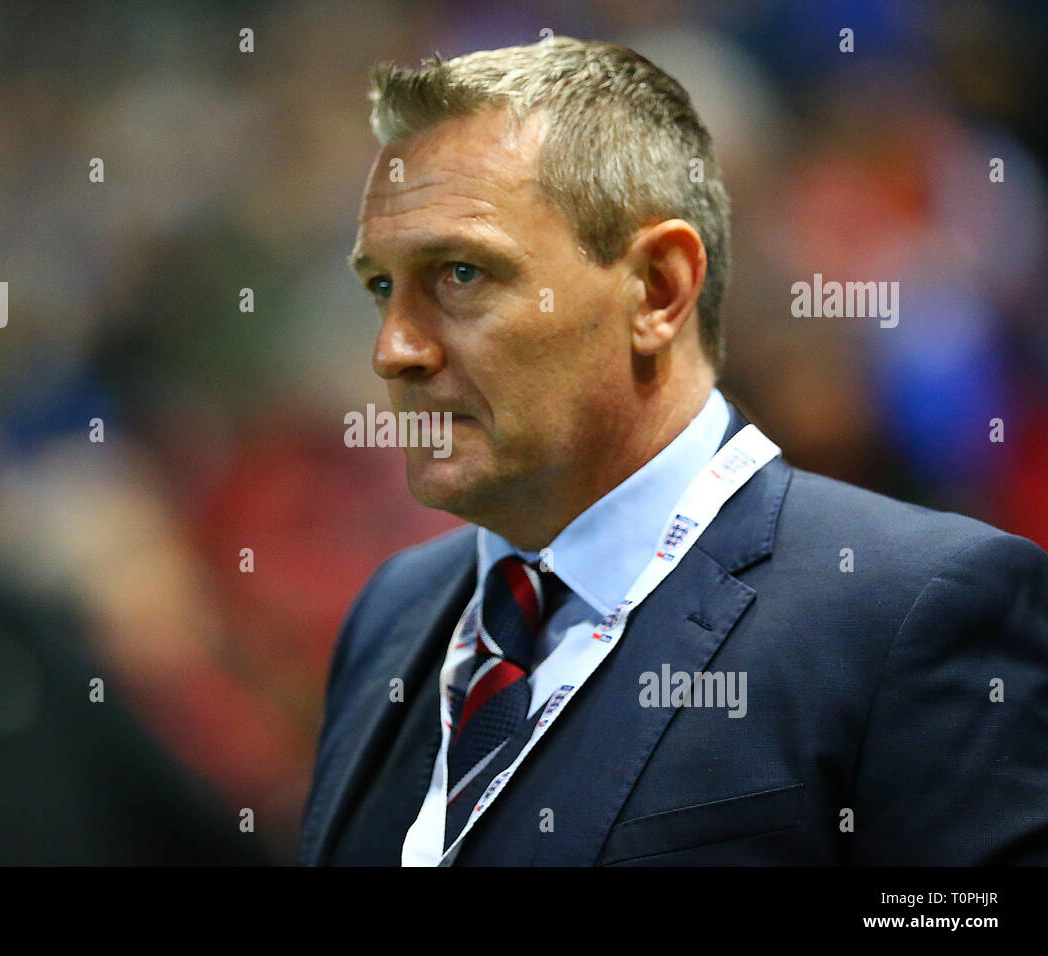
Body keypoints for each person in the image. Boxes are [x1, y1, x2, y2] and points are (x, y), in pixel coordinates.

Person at [298, 37, 1048, 866]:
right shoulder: (392, 613)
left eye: (462, 273)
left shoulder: (913, 609)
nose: (394, 349)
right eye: (380, 286)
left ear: (658, 289)